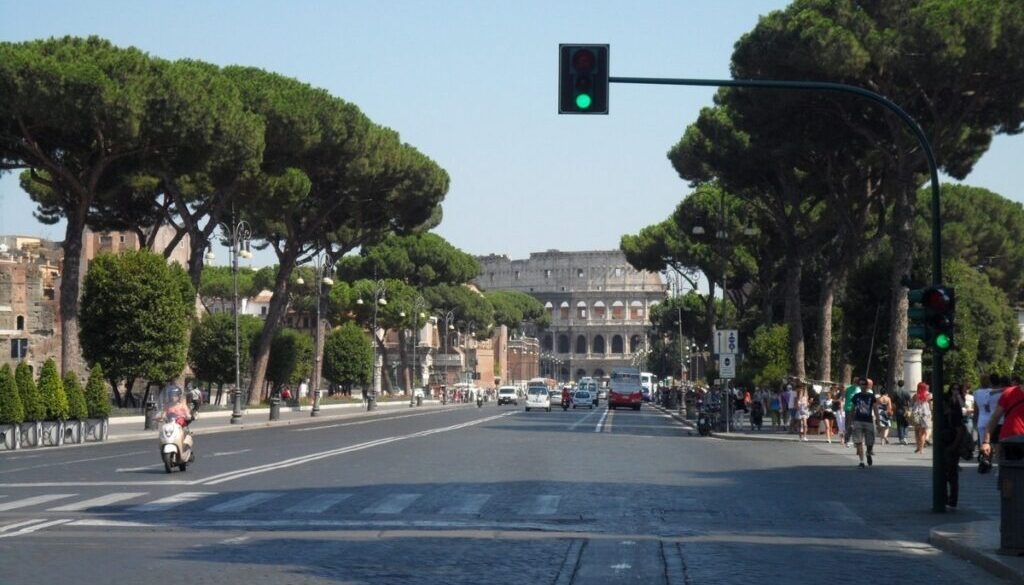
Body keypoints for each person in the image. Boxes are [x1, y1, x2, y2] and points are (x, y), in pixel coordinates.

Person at [980, 375, 1024, 476]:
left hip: (1012, 442)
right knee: (1009, 482)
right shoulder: (1009, 393)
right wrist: (986, 442)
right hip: (1010, 443)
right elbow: (995, 418)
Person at [944, 383, 969, 507]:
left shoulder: (957, 411)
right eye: (953, 389)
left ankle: (952, 499)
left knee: (952, 473)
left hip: (952, 443)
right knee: (946, 472)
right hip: (946, 442)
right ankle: (946, 497)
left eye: (957, 389)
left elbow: (959, 429)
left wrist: (954, 446)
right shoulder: (947, 409)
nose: (955, 391)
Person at [850, 382, 878, 468]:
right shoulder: (856, 396)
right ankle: (861, 461)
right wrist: (851, 421)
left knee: (870, 442)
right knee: (858, 441)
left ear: (867, 386)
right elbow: (852, 409)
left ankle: (868, 453)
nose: (863, 386)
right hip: (858, 421)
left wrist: (878, 420)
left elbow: (875, 408)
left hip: (868, 421)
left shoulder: (871, 396)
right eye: (861, 384)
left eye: (864, 384)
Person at [910, 381, 932, 453]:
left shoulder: (915, 395)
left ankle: (918, 447)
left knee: (916, 431)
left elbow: (912, 403)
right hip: (925, 414)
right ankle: (921, 449)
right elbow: (930, 405)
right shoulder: (929, 395)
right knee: (923, 432)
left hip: (916, 413)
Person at [843, 379, 864, 447]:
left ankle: (855, 440)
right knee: (849, 425)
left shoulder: (859, 389)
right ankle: (847, 440)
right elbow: (845, 397)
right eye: (857, 383)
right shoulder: (849, 389)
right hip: (849, 409)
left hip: (856, 409)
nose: (858, 384)